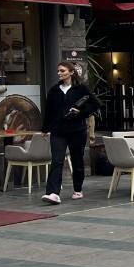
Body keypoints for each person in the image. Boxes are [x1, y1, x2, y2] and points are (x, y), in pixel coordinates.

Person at [41, 61, 97, 204]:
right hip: (58, 131)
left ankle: (78, 189)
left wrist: (80, 112)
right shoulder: (54, 90)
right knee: (56, 161)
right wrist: (45, 129)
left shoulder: (81, 89)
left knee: (77, 160)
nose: (59, 73)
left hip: (77, 131)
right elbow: (49, 111)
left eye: (62, 71)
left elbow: (95, 104)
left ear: (71, 72)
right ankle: (53, 193)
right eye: (58, 71)